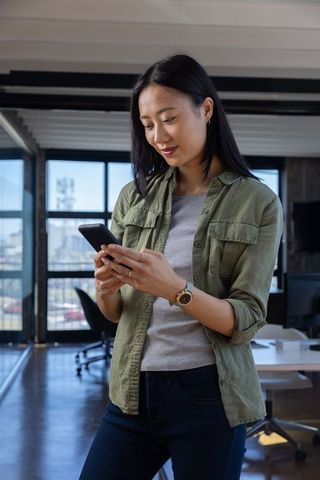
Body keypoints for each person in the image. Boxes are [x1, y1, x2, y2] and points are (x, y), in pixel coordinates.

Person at [79, 54, 283, 480]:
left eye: (168, 118)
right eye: (147, 124)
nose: (157, 135)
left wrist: (175, 289)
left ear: (205, 109)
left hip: (210, 396)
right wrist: (107, 288)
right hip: (132, 391)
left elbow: (246, 319)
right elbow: (117, 315)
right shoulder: (133, 197)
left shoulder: (257, 201)